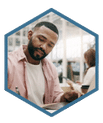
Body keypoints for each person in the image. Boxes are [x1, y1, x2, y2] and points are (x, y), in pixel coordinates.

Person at [8, 21, 79, 106]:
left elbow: (55, 97)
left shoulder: (51, 69)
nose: (44, 47)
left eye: (50, 45)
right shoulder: (8, 63)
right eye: (41, 39)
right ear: (30, 35)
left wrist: (64, 97)